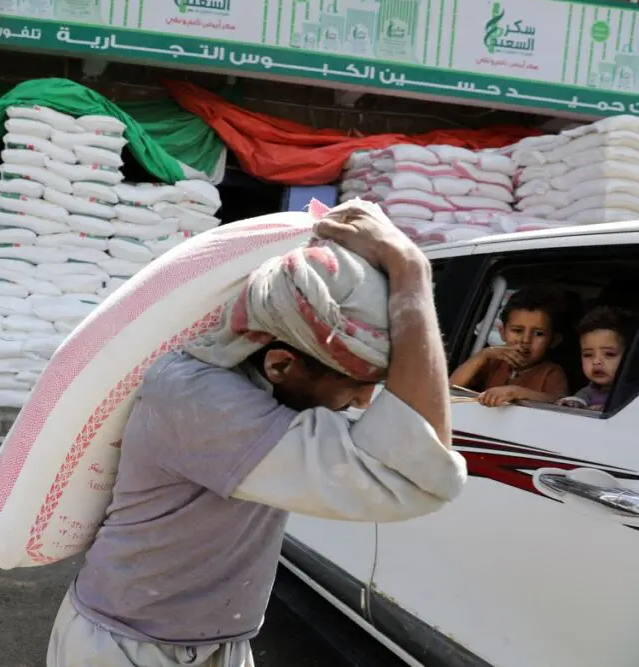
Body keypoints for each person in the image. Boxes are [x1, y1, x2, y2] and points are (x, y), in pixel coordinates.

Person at [46, 203, 467, 667]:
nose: (364, 406)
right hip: (130, 648)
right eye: (356, 389)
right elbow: (420, 478)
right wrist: (412, 271)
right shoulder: (200, 402)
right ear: (281, 363)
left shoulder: (262, 389)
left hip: (212, 643)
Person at [449, 286, 569, 407]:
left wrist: (515, 392)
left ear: (554, 340)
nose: (525, 340)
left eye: (539, 334)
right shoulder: (492, 363)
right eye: (517, 330)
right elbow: (451, 387)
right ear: (502, 332)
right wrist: (483, 354)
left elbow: (558, 401)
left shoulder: (551, 372)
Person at [558, 306, 633, 412]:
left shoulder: (633, 396)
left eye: (609, 354)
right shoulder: (587, 393)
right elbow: (576, 403)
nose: (596, 361)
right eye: (588, 354)